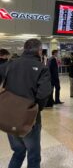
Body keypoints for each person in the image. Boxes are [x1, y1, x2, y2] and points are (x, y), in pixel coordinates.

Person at [0, 39, 52, 168]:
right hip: (29, 119)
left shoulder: (8, 65)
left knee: (18, 151)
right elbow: (44, 94)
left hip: (8, 117)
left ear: (24, 48)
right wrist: (35, 109)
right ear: (39, 51)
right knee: (33, 155)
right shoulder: (42, 68)